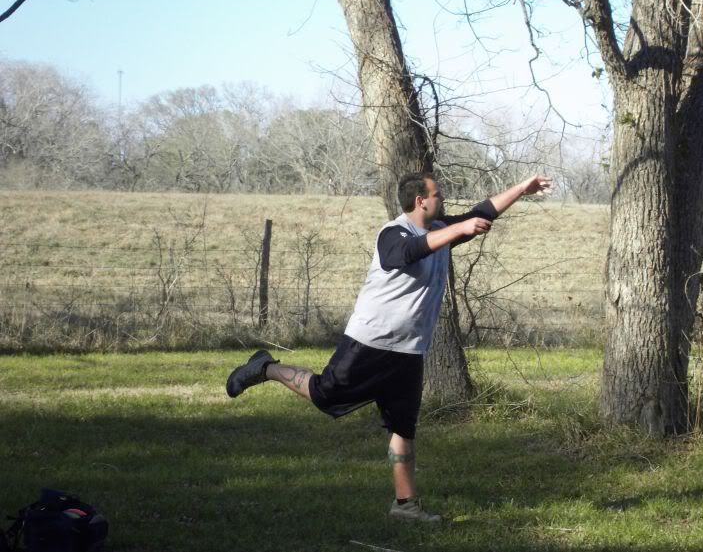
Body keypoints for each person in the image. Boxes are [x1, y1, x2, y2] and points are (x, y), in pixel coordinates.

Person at [225, 172, 552, 522]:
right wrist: (459, 229)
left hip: (410, 351)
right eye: (437, 194)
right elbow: (408, 253)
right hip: (370, 342)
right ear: (420, 201)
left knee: (403, 426)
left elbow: (482, 212)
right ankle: (265, 368)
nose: (443, 199)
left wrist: (522, 189)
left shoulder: (439, 230)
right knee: (325, 395)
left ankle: (405, 505)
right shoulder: (393, 233)